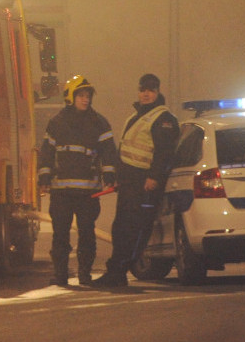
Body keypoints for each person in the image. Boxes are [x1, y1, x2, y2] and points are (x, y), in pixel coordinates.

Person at [91, 74, 180, 288]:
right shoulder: (136, 116)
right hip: (130, 182)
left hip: (145, 184)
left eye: (150, 90)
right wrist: (119, 177)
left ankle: (120, 269)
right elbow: (125, 150)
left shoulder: (163, 119)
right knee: (121, 227)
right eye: (143, 90)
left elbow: (164, 153)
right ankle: (115, 271)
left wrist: (154, 177)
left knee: (135, 228)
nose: (146, 94)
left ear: (158, 92)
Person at [37, 75, 118, 287]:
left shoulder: (99, 123)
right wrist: (44, 175)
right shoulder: (57, 123)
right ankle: (61, 274)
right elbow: (46, 152)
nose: (85, 99)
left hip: (87, 193)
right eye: (81, 95)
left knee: (87, 236)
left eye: (87, 95)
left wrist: (110, 174)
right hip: (61, 192)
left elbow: (109, 152)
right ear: (70, 97)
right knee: (60, 236)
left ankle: (84, 274)